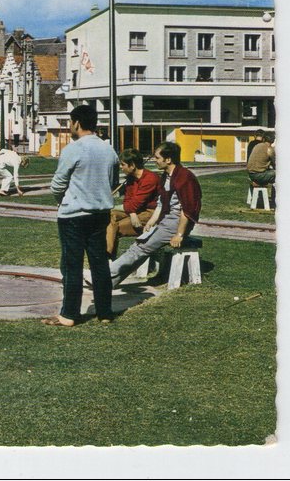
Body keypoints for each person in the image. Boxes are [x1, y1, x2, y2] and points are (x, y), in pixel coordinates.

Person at [43, 104, 118, 327]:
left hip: (73, 216)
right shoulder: (109, 150)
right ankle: (105, 312)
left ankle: (69, 314)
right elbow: (112, 182)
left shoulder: (73, 149)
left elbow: (57, 185)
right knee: (100, 264)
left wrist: (62, 201)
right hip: (100, 214)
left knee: (71, 265)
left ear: (76, 123)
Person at [110, 142, 203, 288]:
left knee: (140, 247)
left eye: (157, 157)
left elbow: (187, 210)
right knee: (141, 245)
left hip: (177, 222)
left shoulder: (185, 177)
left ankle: (104, 276)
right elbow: (161, 204)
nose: (155, 160)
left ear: (168, 159)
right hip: (165, 220)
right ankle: (110, 282)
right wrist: (151, 222)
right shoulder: (166, 176)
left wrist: (179, 234)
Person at [105, 149, 161, 259]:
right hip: (136, 211)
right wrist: (132, 214)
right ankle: (107, 258)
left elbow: (134, 204)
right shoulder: (131, 178)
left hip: (150, 213)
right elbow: (127, 201)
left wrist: (132, 211)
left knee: (113, 227)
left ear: (132, 165)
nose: (121, 167)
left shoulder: (150, 179)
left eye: (123, 164)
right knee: (107, 215)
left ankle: (107, 257)